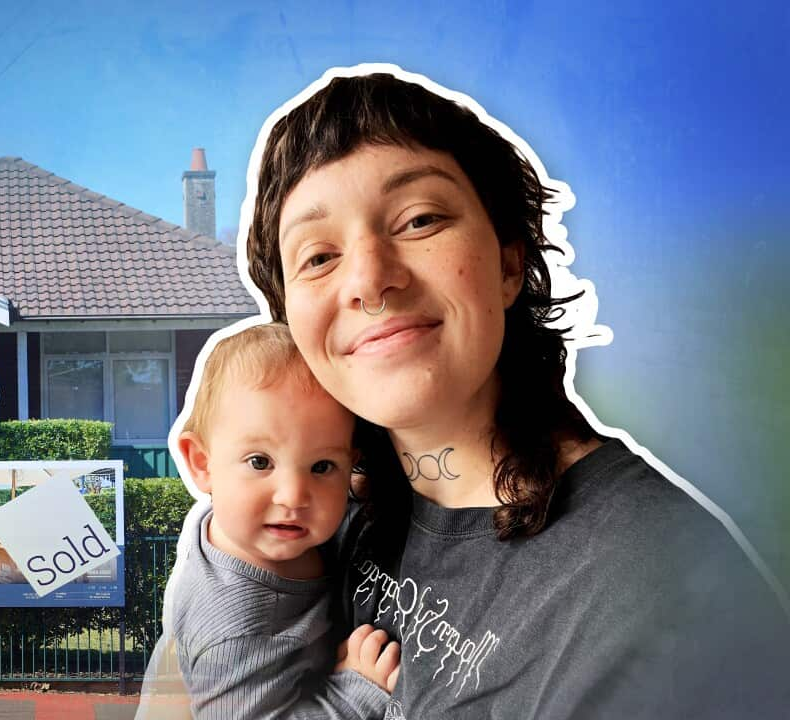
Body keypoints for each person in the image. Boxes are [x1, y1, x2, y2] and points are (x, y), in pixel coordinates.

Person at [244, 69, 790, 718]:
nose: (369, 280)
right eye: (317, 257)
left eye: (419, 219)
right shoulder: (323, 516)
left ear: (509, 262)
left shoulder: (668, 591)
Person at [137, 322, 399, 720]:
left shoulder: (232, 526)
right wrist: (355, 695)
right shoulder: (235, 628)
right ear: (202, 464)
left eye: (322, 466)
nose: (293, 495)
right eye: (260, 462)